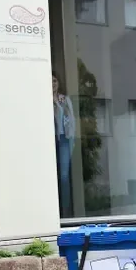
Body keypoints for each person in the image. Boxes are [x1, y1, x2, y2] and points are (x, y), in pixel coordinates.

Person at [53, 71, 76, 217]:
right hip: (49, 140)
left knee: (64, 176)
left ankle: (65, 212)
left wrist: (72, 139)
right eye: (49, 81)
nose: (52, 84)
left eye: (54, 80)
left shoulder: (64, 99)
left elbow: (72, 120)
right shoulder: (43, 99)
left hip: (64, 139)